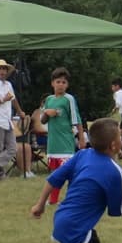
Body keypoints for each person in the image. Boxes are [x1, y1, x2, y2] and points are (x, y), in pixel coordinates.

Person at [23, 117, 122, 243]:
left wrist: (40, 204)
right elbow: (116, 211)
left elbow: (54, 179)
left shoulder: (83, 154)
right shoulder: (116, 173)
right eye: (120, 134)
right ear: (114, 145)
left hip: (62, 219)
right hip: (76, 228)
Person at [38, 67, 84, 203]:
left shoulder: (69, 99)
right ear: (52, 83)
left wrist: (81, 138)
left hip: (65, 142)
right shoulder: (49, 100)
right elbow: (42, 120)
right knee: (54, 174)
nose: (60, 85)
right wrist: (47, 113)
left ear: (67, 85)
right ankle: (53, 199)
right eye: (58, 82)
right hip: (53, 143)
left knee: (69, 172)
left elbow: (77, 120)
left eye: (63, 82)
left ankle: (73, 198)